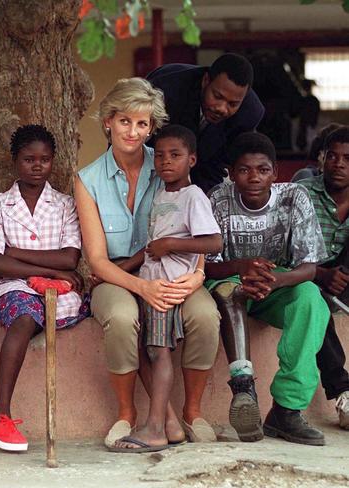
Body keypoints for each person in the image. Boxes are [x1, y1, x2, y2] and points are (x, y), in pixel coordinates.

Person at [75, 78, 221, 450]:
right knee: (123, 319)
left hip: (175, 274)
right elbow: (96, 260)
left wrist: (199, 274)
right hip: (118, 276)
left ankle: (191, 412)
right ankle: (128, 414)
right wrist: (142, 287)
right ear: (108, 121)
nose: (133, 132)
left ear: (151, 127)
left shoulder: (168, 160)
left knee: (204, 315)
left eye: (142, 124)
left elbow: (196, 218)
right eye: (125, 121)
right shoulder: (87, 180)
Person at [206, 132, 329, 446]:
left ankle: (287, 410)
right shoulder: (218, 198)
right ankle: (243, 387)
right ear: (231, 173)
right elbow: (206, 264)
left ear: (276, 172)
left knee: (312, 300)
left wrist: (274, 281)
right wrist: (241, 268)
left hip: (278, 283)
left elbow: (309, 266)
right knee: (225, 292)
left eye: (262, 170)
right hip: (232, 283)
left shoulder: (294, 197)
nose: (254, 177)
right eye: (245, 170)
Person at [111, 125, 222, 452]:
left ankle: (156, 427)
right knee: (147, 350)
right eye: (159, 155)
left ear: (192, 159)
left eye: (175, 155)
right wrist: (118, 272)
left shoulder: (193, 196)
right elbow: (150, 247)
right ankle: (169, 426)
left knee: (159, 353)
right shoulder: (161, 195)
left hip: (167, 288)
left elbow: (214, 241)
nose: (165, 162)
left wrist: (171, 244)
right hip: (150, 281)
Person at [0, 125, 90, 452]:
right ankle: (1, 414)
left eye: (44, 159)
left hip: (60, 290)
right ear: (15, 161)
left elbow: (70, 258)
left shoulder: (65, 204)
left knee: (71, 305)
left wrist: (14, 253)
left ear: (53, 161)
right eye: (29, 159)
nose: (37, 166)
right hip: (12, 288)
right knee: (25, 317)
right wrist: (44, 268)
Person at [147, 53, 265, 194]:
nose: (222, 108)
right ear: (205, 80)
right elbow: (144, 143)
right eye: (217, 96)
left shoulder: (249, 113)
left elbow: (216, 165)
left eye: (233, 104)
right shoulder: (165, 90)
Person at [299, 125, 349, 429]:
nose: (339, 164)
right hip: (309, 274)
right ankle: (344, 390)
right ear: (322, 159)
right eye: (333, 156)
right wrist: (320, 274)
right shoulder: (303, 193)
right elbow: (286, 250)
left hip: (344, 276)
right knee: (313, 303)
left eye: (347, 158)